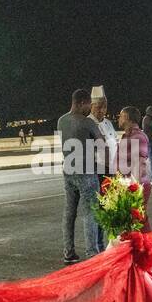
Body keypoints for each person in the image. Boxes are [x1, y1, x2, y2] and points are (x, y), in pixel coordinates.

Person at [57, 88, 106, 264]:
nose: (89, 109)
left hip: (68, 171)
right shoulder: (87, 123)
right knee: (90, 213)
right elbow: (102, 145)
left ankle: (68, 252)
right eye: (88, 105)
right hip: (86, 172)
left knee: (69, 213)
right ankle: (92, 253)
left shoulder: (61, 121)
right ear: (81, 102)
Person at [116, 105, 152, 231]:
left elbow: (139, 165)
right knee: (135, 221)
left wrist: (134, 189)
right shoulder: (127, 136)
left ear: (127, 118)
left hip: (137, 185)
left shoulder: (138, 137)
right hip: (129, 184)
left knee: (139, 220)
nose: (118, 119)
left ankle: (149, 246)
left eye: (120, 116)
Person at [91, 91, 118, 175]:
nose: (102, 110)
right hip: (97, 168)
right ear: (91, 106)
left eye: (105, 107)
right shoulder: (87, 123)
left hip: (112, 166)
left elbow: (115, 141)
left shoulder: (108, 123)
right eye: (98, 107)